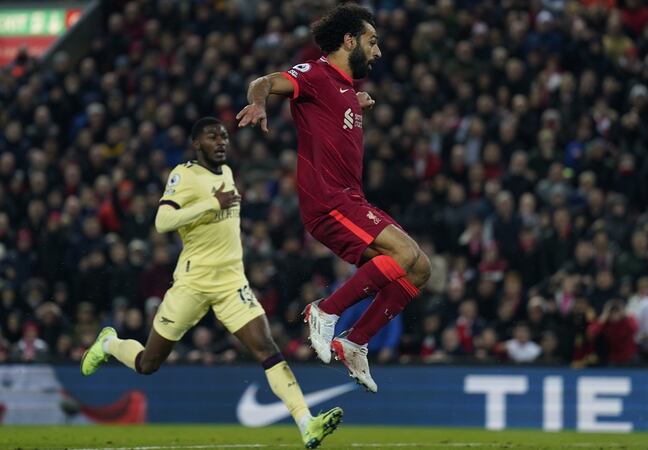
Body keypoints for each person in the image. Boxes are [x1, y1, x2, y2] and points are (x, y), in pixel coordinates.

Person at [80, 118, 342, 449]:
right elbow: (162, 221)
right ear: (196, 144)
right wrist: (209, 204)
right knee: (149, 363)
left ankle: (307, 423)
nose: (220, 141)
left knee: (267, 348)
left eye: (224, 137)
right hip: (193, 281)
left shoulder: (228, 173)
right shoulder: (184, 175)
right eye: (212, 137)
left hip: (232, 281)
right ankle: (108, 344)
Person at [236, 4, 431, 392]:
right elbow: (266, 80)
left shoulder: (345, 91)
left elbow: (334, 110)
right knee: (404, 255)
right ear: (349, 40)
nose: (377, 52)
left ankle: (355, 341)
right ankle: (325, 312)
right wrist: (259, 101)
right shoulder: (315, 74)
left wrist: (353, 103)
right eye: (372, 42)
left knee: (420, 268)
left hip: (351, 200)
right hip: (329, 202)